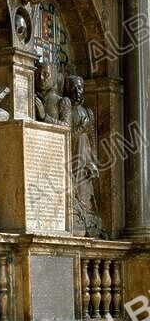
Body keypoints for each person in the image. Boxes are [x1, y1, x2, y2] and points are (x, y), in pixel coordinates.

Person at [64, 75, 102, 237]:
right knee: (77, 192)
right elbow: (65, 137)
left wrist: (94, 162)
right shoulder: (66, 110)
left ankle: (90, 223)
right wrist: (81, 127)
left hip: (85, 161)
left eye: (80, 87)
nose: (78, 91)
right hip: (73, 160)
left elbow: (92, 140)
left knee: (87, 193)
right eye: (74, 87)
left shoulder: (87, 112)